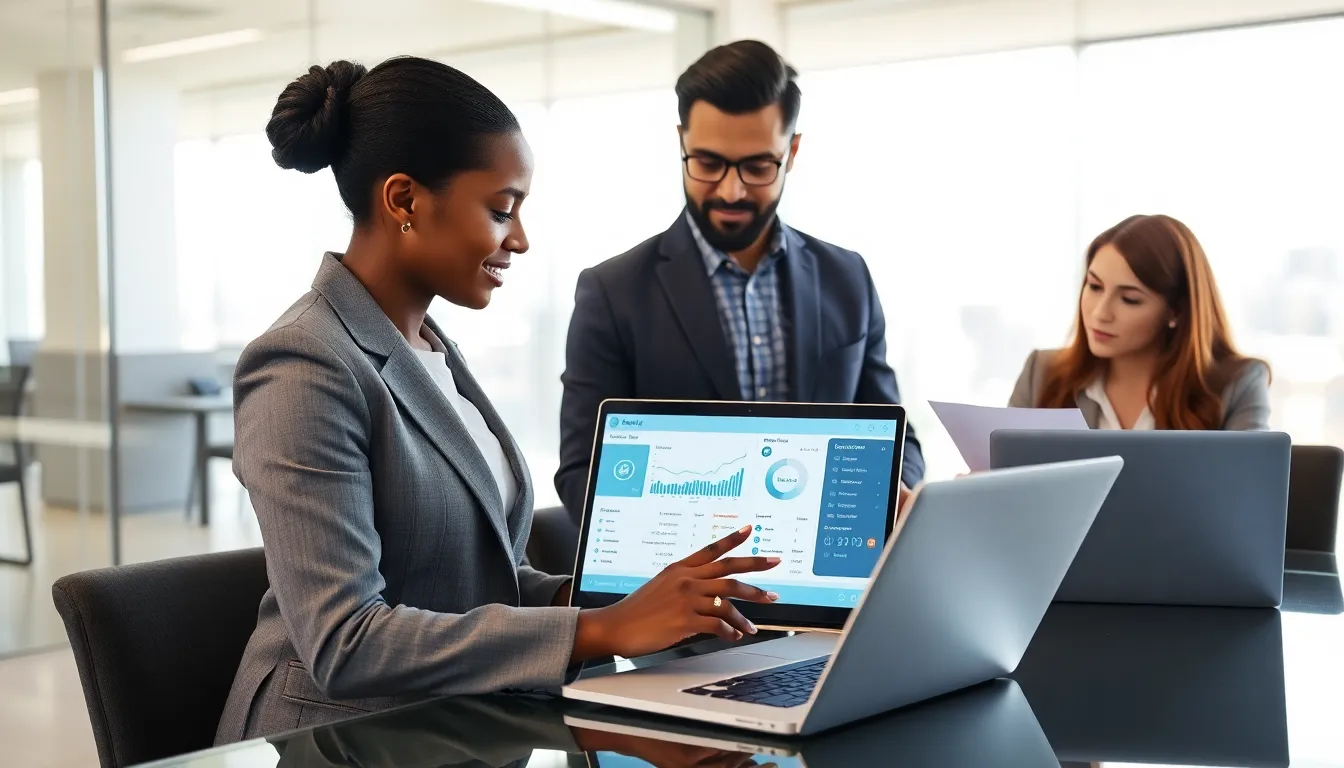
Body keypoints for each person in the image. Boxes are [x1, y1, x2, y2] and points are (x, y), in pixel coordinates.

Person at [215, 56, 782, 744]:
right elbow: (348, 640)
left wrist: (624, 599)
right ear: (404, 200)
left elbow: (468, 578)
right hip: (332, 742)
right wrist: (600, 628)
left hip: (452, 729)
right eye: (500, 209)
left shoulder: (427, 347)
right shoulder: (303, 363)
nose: (518, 239)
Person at [555, 40, 925, 524]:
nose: (731, 190)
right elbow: (582, 471)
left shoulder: (847, 277)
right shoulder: (613, 291)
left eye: (756, 167)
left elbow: (897, 436)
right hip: (684, 583)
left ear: (791, 152)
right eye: (708, 164)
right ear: (681, 144)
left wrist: (891, 491)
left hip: (832, 575)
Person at [1009, 214, 1270, 430]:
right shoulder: (1042, 373)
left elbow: (1253, 489)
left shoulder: (1237, 385)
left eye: (1129, 299)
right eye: (1095, 286)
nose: (1100, 313)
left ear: (1175, 311)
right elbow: (1000, 480)